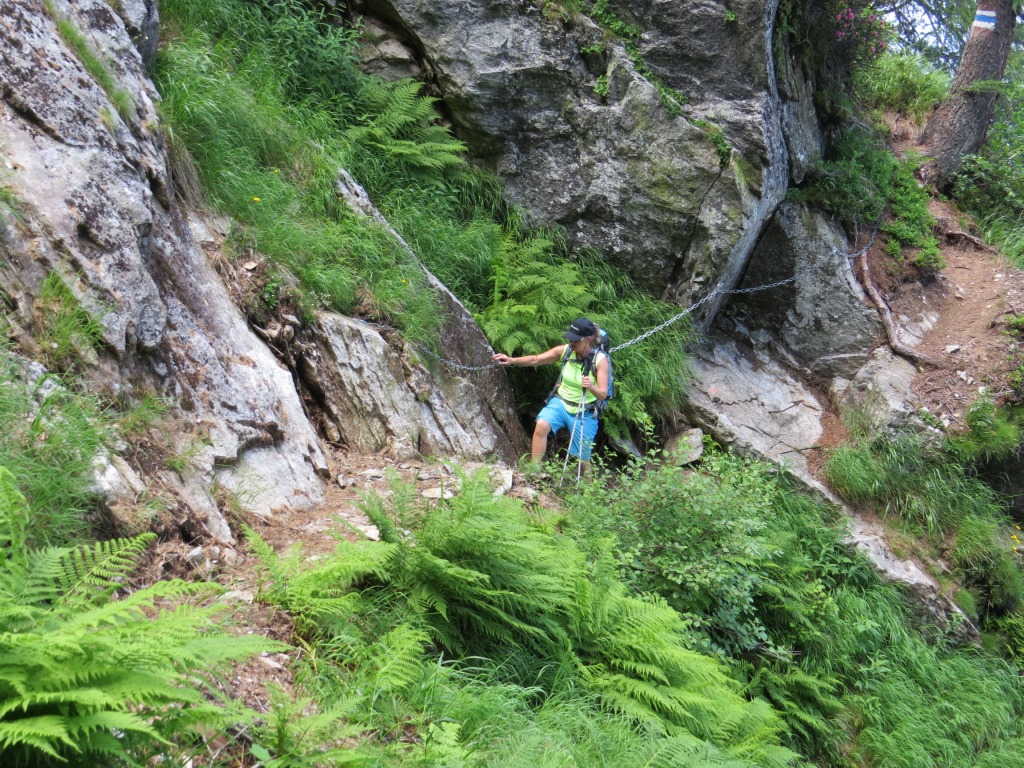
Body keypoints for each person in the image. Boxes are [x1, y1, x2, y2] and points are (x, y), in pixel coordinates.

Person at [493, 318, 609, 466]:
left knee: (583, 461)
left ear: (588, 339)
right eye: (570, 338)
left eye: (575, 339)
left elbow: (603, 394)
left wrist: (592, 387)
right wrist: (511, 360)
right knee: (541, 425)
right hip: (561, 403)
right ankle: (534, 469)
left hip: (584, 410)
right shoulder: (566, 350)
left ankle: (587, 481)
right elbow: (536, 359)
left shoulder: (599, 360)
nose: (571, 342)